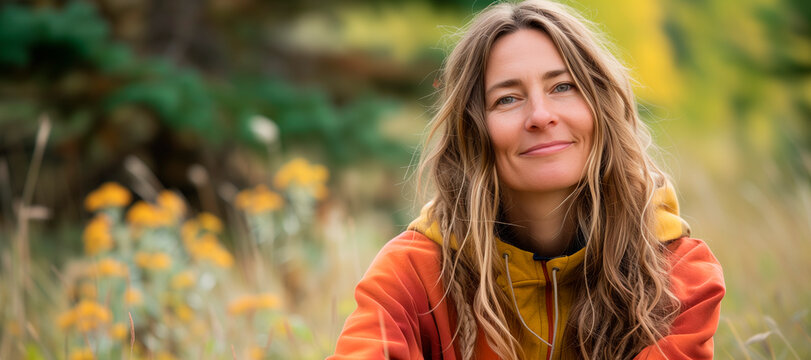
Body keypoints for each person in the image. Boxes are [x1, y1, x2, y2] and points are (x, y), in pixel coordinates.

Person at [329, 1, 725, 359]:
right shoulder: (413, 271)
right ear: (473, 131)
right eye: (508, 99)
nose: (540, 115)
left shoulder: (675, 272)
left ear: (599, 108)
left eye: (563, 87)